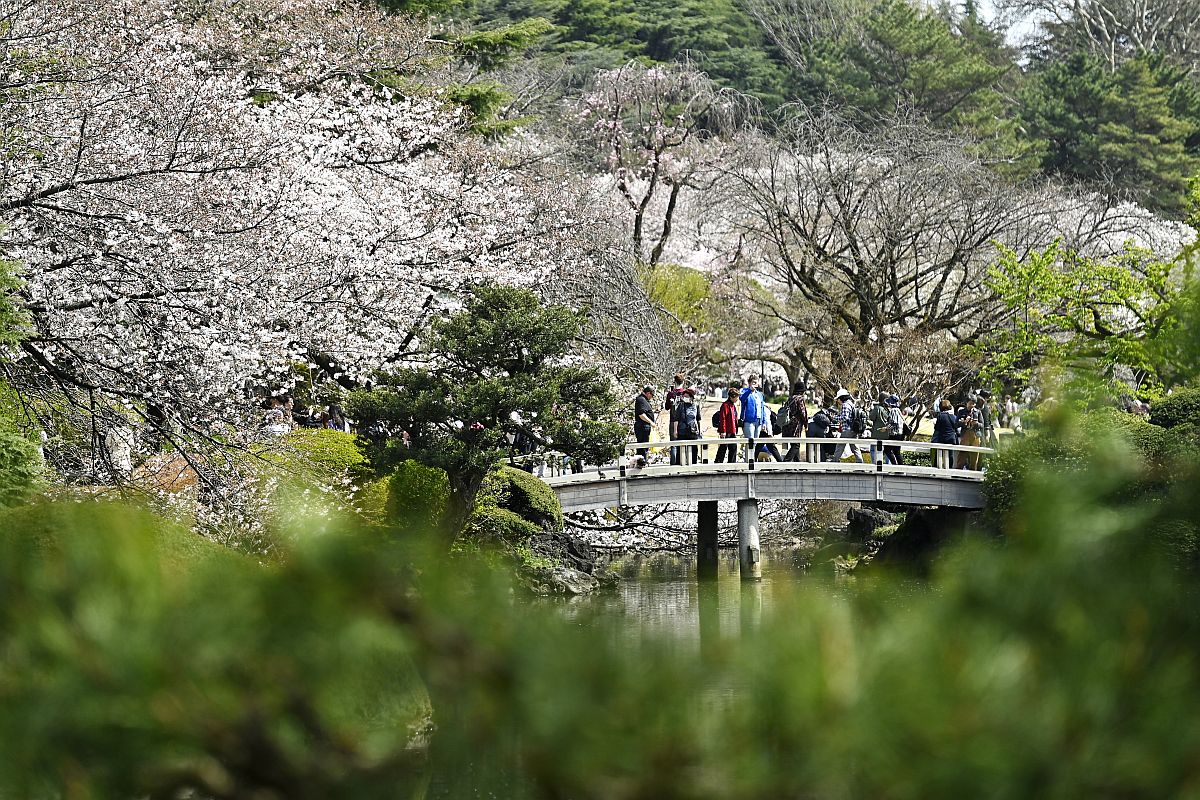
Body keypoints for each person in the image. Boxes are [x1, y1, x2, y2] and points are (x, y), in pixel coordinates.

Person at [832, 388, 865, 463]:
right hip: (854, 429)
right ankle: (860, 462)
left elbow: (844, 417)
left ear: (842, 398)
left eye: (838, 399)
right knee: (855, 447)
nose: (838, 400)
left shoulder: (845, 405)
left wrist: (834, 417)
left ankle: (834, 461)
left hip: (847, 429)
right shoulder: (851, 403)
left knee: (840, 446)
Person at [739, 374, 768, 457]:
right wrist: (749, 390)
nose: (755, 384)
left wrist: (764, 422)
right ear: (749, 383)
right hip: (748, 421)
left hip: (758, 421)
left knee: (755, 442)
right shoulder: (745, 391)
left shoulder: (760, 394)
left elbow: (762, 408)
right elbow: (742, 398)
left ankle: (752, 460)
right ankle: (748, 461)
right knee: (750, 441)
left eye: (756, 382)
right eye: (753, 382)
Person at [672, 388, 702, 464]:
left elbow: (698, 419)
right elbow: (676, 419)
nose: (684, 398)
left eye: (686, 396)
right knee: (680, 451)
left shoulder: (696, 406)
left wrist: (699, 431)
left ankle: (693, 466)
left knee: (694, 450)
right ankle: (679, 467)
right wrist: (675, 431)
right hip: (682, 430)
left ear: (691, 397)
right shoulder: (680, 406)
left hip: (693, 431)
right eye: (684, 396)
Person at [781, 380, 808, 462]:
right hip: (795, 425)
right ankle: (786, 461)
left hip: (787, 425)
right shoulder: (800, 399)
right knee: (796, 445)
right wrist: (806, 424)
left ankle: (797, 464)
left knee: (794, 444)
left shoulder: (790, 398)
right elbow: (803, 413)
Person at [664, 373, 686, 466]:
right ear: (683, 382)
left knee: (673, 443)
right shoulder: (685, 393)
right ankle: (682, 462)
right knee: (683, 443)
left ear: (675, 382)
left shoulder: (671, 394)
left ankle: (673, 464)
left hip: (673, 420)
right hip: (683, 421)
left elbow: (666, 407)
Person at [956, 396, 984, 470]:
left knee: (975, 454)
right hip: (965, 433)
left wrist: (976, 423)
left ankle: (973, 471)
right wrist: (964, 422)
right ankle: (958, 471)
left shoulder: (978, 412)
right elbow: (956, 424)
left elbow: (982, 425)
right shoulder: (961, 412)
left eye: (974, 404)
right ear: (967, 403)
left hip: (975, 434)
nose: (972, 405)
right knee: (962, 453)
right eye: (971, 403)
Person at [931, 398, 959, 470]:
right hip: (951, 438)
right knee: (950, 455)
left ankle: (936, 468)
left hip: (942, 438)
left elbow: (937, 428)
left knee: (938, 455)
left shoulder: (940, 415)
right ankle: (949, 469)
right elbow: (956, 428)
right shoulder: (954, 417)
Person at [714, 386, 740, 463]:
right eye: (736, 397)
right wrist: (723, 431)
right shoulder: (725, 405)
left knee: (733, 447)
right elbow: (723, 419)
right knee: (723, 447)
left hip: (732, 430)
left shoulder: (733, 406)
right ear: (732, 397)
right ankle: (718, 463)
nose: (737, 399)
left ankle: (732, 464)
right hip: (726, 430)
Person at [633, 385, 656, 463]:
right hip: (642, 426)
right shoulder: (641, 400)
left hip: (645, 426)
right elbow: (641, 414)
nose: (652, 397)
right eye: (652, 395)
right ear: (648, 393)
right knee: (642, 447)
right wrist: (651, 422)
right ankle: (641, 463)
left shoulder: (644, 400)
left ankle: (642, 462)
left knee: (644, 447)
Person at [867, 392, 892, 464]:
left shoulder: (877, 408)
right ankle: (888, 465)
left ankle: (874, 464)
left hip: (877, 433)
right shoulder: (890, 409)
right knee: (888, 450)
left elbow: (871, 417)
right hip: (887, 433)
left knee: (873, 449)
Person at [884, 394, 904, 465]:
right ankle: (900, 469)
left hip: (894, 434)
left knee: (887, 450)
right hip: (899, 434)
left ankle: (895, 465)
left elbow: (894, 423)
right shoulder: (898, 410)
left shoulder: (893, 410)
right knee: (896, 452)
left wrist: (886, 428)